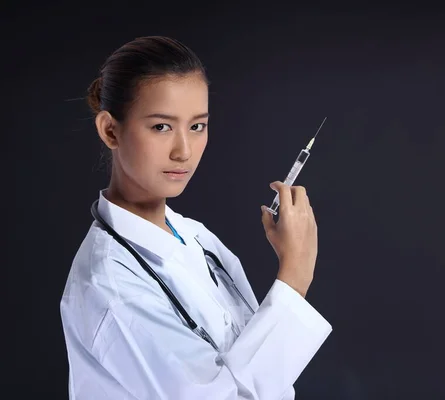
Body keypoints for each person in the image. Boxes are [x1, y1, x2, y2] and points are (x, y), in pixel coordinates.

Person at [59, 36, 332, 400]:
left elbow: (258, 376)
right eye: (161, 127)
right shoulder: (109, 285)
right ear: (110, 130)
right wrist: (295, 274)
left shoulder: (194, 237)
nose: (183, 151)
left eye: (197, 126)